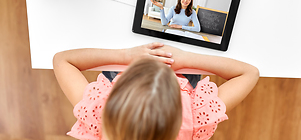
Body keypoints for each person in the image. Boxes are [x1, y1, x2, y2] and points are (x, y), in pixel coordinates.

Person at [53, 42, 259, 140]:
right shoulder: (196, 116)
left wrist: (125, 54)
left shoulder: (97, 113)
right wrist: (186, 60)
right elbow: (249, 73)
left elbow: (63, 60)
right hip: (177, 65)